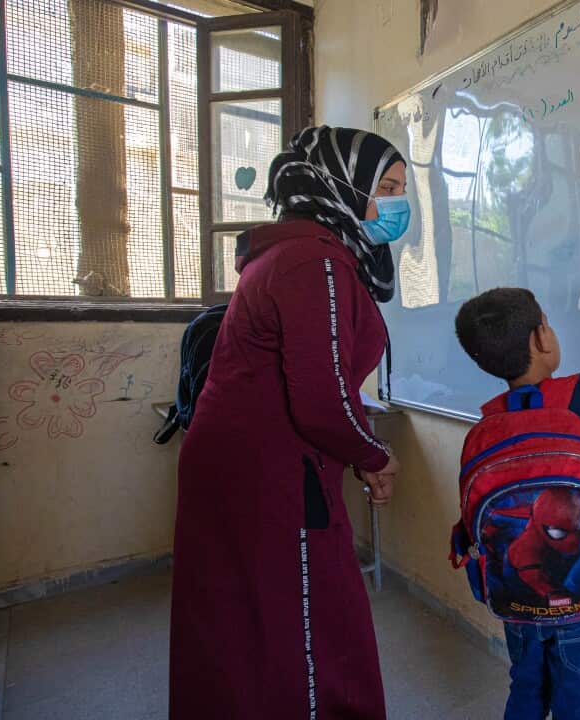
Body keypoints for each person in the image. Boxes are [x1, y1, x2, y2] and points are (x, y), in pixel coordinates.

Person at [170, 126, 409, 720]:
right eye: (386, 187)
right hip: (271, 473)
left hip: (249, 465)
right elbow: (322, 394)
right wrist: (376, 455)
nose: (399, 204)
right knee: (308, 630)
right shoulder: (315, 261)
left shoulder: (291, 252)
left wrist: (357, 450)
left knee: (243, 625)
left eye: (403, 189)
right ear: (340, 185)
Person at [453, 268, 580, 720]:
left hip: (516, 597)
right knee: (578, 698)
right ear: (542, 339)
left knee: (526, 687)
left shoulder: (485, 429)